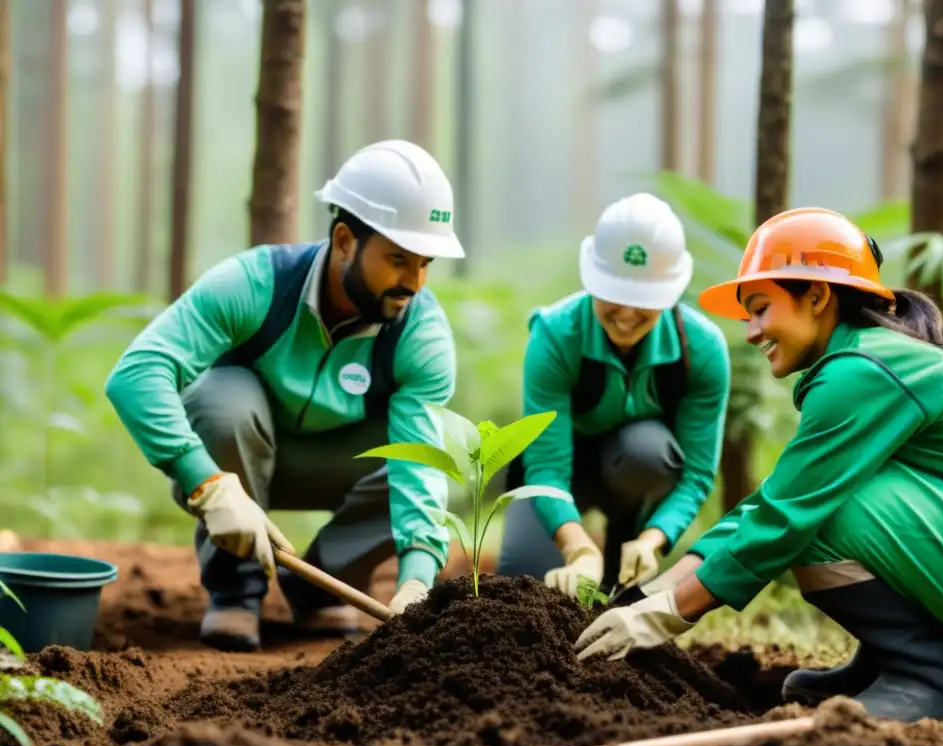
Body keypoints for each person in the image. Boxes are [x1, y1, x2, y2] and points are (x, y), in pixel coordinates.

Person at [573, 206, 943, 733]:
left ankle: (940, 675)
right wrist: (651, 593)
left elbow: (786, 515)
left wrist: (670, 611)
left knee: (828, 513)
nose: (750, 331)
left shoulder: (864, 373)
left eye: (760, 308)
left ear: (816, 296)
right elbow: (775, 501)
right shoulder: (872, 361)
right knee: (824, 501)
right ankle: (901, 659)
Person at [105, 139, 465, 652]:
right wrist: (205, 483)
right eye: (399, 259)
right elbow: (136, 374)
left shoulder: (420, 334)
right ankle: (235, 590)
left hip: (346, 464)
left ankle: (317, 584)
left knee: (426, 452)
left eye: (426, 263)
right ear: (344, 241)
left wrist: (417, 579)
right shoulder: (255, 284)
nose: (414, 282)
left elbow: (419, 473)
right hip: (241, 457)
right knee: (223, 396)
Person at [497, 192, 730, 598]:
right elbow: (547, 464)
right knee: (523, 587)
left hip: (638, 473)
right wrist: (577, 547)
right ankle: (589, 559)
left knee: (647, 450)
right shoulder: (555, 335)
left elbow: (696, 474)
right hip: (560, 475)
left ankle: (626, 549)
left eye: (644, 301)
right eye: (614, 294)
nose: (625, 315)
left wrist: (653, 540)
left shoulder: (702, 349)